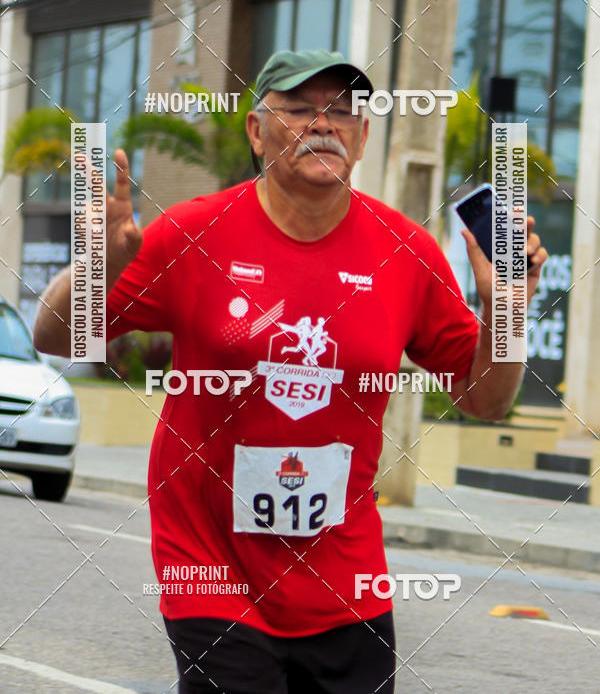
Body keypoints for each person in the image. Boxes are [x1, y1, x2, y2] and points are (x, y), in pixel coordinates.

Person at [34, 49, 547, 694]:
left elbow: (487, 403)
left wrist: (504, 313)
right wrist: (96, 267)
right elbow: (55, 336)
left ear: (362, 137)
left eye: (342, 112)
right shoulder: (193, 232)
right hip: (211, 568)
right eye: (300, 109)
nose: (323, 124)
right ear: (256, 130)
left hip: (346, 576)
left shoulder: (406, 253)